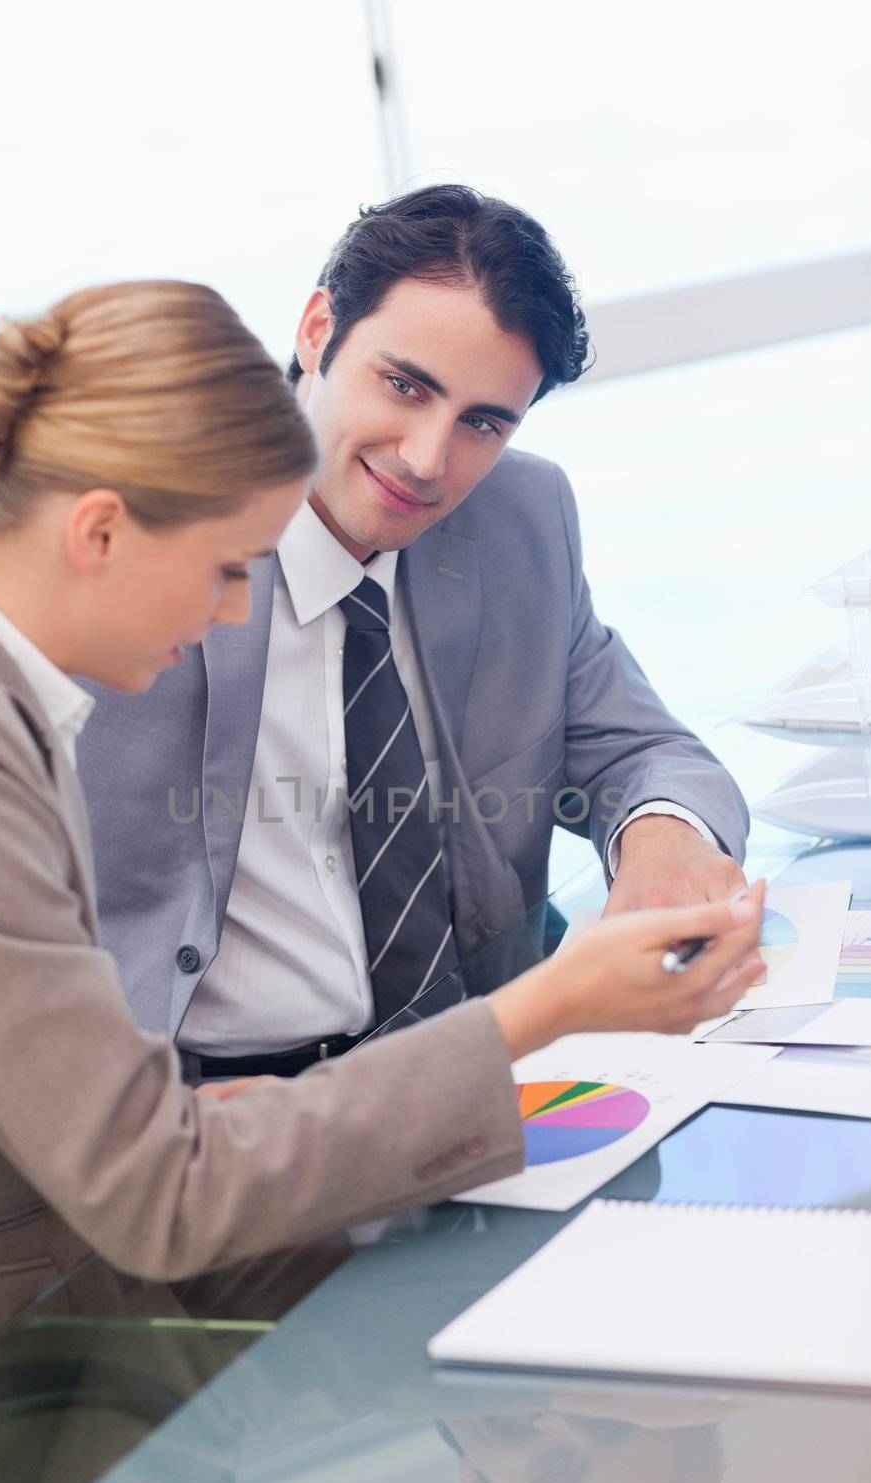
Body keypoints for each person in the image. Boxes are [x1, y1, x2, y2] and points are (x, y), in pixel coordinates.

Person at [0, 278, 765, 1421]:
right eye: (229, 568)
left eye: (487, 418)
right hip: (3, 1367)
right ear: (97, 530)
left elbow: (638, 740)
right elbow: (156, 1180)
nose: (236, 610)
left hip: (235, 1218)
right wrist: (549, 1005)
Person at [73, 186, 752, 1081]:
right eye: (405, 385)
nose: (427, 460)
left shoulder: (519, 516)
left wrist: (663, 835)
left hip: (494, 1060)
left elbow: (637, 746)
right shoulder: (139, 532)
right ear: (317, 331)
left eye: (482, 422)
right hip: (213, 1106)